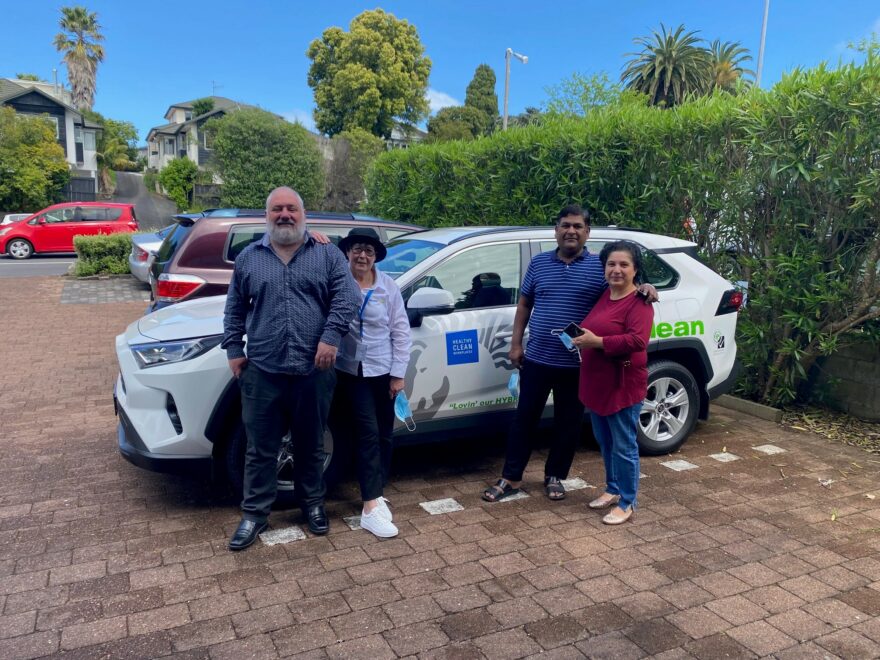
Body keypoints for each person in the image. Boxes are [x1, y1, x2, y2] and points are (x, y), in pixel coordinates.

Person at [482, 205, 656, 503]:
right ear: (556, 230)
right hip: (536, 357)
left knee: (568, 423)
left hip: (579, 364)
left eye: (578, 226)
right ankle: (511, 477)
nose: (571, 231)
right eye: (565, 225)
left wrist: (646, 287)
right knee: (524, 419)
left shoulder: (599, 267)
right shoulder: (538, 264)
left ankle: (555, 476)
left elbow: (622, 287)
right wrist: (515, 344)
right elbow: (524, 305)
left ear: (587, 232)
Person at [222, 187, 360, 551]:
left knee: (311, 444)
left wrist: (330, 338)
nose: (285, 215)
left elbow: (347, 297)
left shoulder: (327, 254)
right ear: (266, 216)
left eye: (292, 209)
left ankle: (313, 505)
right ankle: (254, 514)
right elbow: (234, 307)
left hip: (313, 371)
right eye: (277, 209)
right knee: (259, 448)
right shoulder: (249, 258)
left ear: (304, 213)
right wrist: (234, 348)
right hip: (263, 370)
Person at [333, 227, 411, 538]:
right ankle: (370, 508)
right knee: (366, 433)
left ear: (376, 255)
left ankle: (377, 492)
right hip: (350, 371)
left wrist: (398, 374)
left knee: (384, 435)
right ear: (348, 252)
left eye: (368, 250)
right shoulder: (339, 283)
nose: (362, 255)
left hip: (382, 369)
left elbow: (401, 332)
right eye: (356, 249)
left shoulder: (388, 287)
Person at [571, 240, 653, 525]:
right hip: (597, 382)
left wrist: (597, 341)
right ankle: (613, 488)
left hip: (622, 382)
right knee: (605, 442)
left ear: (635, 270)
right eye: (611, 264)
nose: (616, 270)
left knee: (624, 446)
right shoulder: (605, 295)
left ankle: (628, 502)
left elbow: (637, 340)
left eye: (624, 265)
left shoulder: (640, 302)